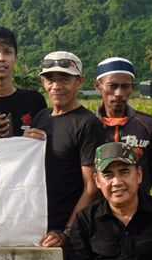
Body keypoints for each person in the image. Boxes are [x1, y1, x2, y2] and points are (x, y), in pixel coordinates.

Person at [25, 51, 104, 249]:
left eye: (64, 79)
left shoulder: (87, 124)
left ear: (79, 82)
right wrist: (24, 144)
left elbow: (92, 187)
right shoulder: (41, 118)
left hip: (68, 233)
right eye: (50, 79)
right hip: (37, 226)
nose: (56, 86)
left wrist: (67, 231)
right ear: (43, 82)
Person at [93, 56, 152, 185]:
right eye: (112, 86)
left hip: (140, 202)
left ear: (132, 88)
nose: (119, 93)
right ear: (98, 86)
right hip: (98, 203)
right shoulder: (87, 125)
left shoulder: (148, 125)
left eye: (125, 86)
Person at [0, 26, 46, 137]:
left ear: (15, 60)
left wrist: (29, 140)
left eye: (7, 52)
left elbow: (46, 143)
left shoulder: (35, 101)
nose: (1, 58)